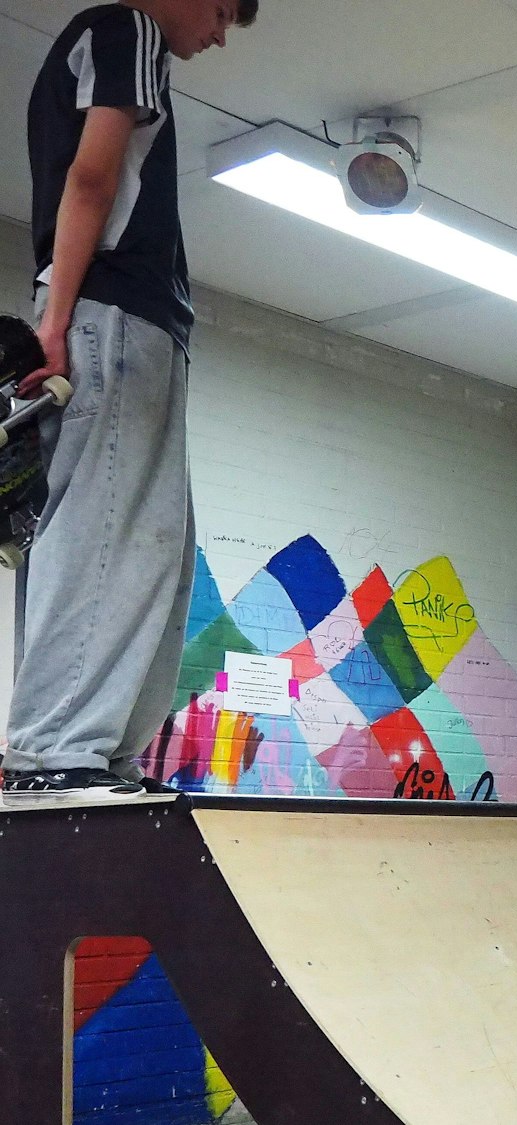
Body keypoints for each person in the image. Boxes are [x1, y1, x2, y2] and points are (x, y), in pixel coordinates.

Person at [2, 0, 258, 801]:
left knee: (154, 547)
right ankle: (55, 750)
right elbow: (92, 176)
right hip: (111, 312)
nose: (219, 36)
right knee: (106, 531)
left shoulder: (125, 45)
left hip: (132, 320)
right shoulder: (130, 30)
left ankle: (99, 752)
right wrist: (54, 323)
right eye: (223, 12)